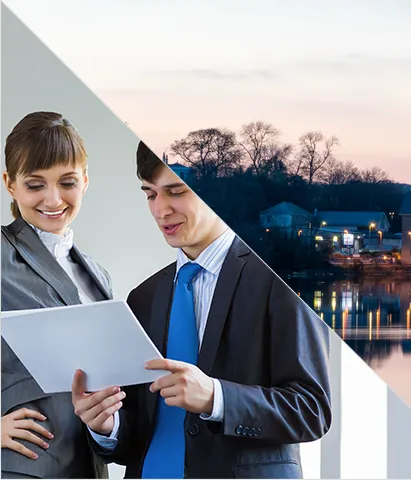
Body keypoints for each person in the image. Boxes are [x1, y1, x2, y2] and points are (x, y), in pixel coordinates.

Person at [71, 142, 331, 478]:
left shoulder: (279, 280)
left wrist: (216, 398)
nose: (160, 210)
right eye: (150, 194)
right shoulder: (143, 297)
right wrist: (107, 425)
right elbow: (136, 433)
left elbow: (312, 410)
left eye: (176, 191)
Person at [1, 111, 113, 479]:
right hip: (23, 468)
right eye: (35, 185)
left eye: (67, 182)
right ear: (9, 184)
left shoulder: (97, 276)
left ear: (85, 181)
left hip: (87, 467)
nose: (53, 199)